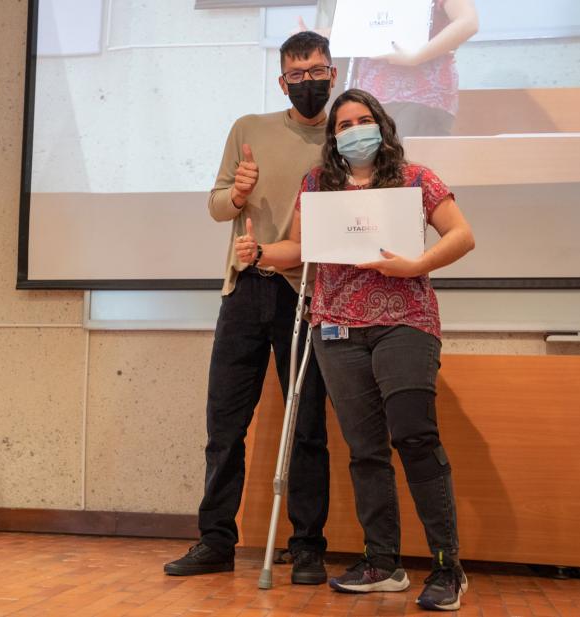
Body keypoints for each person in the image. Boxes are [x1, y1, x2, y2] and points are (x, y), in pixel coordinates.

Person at [234, 88, 475, 610]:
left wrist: (416, 265)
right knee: (365, 450)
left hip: (404, 323)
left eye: (363, 121)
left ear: (381, 126)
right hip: (336, 329)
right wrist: (260, 253)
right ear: (333, 137)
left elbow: (462, 235)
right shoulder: (318, 184)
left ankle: (446, 566)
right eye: (343, 125)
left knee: (414, 436)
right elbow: (299, 249)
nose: (354, 131)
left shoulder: (415, 178)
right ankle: (383, 563)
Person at [164, 31, 336, 585]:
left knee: (306, 426)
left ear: (333, 74)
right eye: (297, 75)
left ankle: (307, 547)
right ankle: (216, 540)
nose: (308, 82)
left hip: (305, 293)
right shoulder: (249, 129)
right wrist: (238, 193)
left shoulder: (345, 135)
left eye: (317, 72)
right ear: (282, 81)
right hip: (243, 289)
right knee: (224, 424)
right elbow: (217, 206)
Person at [308, 0, 479, 136]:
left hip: (421, 97)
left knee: (412, 164)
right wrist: (314, 37)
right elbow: (364, 26)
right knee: (380, 166)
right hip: (372, 99)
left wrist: (417, 57)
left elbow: (468, 21)